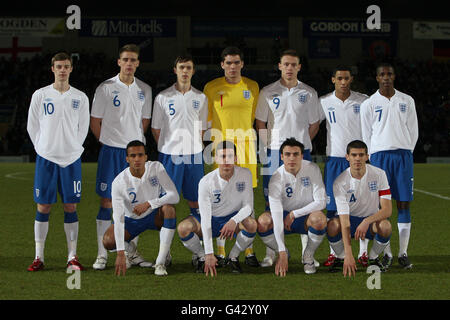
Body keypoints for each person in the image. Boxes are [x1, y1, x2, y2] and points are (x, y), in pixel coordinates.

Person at [255, 49, 321, 267]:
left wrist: (299, 148)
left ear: (299, 67)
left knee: (306, 197)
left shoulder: (309, 93)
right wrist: (269, 147)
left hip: (301, 153)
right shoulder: (267, 91)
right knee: (269, 201)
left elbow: (314, 124)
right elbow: (260, 123)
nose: (290, 68)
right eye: (286, 64)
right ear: (280, 66)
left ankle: (306, 252)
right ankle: (271, 252)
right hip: (274, 153)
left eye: (294, 64)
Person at [90, 44, 153, 270]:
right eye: (125, 59)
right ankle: (101, 254)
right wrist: (108, 141)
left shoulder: (145, 89)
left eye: (133, 60)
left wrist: (133, 144)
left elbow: (144, 122)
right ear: (119, 62)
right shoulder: (105, 88)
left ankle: (131, 253)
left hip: (134, 153)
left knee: (134, 202)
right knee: (107, 201)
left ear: (137, 63)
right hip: (111, 151)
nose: (129, 63)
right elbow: (95, 121)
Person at [26, 52, 90, 271]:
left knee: (70, 205)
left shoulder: (80, 97)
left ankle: (72, 256)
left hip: (71, 159)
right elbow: (32, 126)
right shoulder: (40, 95)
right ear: (52, 69)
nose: (63, 70)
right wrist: (43, 148)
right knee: (43, 206)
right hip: (46, 158)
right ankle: (38, 257)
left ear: (71, 69)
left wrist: (73, 149)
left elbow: (83, 127)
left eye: (66, 66)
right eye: (59, 66)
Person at [203, 46, 259, 267]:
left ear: (242, 64)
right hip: (221, 148)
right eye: (228, 63)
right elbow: (206, 121)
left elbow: (252, 119)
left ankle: (249, 252)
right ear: (222, 65)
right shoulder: (211, 87)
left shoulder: (253, 87)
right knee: (221, 197)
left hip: (246, 148)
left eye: (236, 63)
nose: (233, 67)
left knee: (247, 198)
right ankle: (220, 252)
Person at [361, 63, 418, 269]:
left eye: (389, 74)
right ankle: (388, 253)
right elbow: (366, 133)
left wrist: (405, 150)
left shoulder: (406, 100)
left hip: (402, 156)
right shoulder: (369, 103)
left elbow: (413, 130)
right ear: (377, 78)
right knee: (379, 208)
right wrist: (374, 153)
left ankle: (403, 252)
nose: (386, 77)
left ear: (394, 76)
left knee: (403, 203)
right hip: (379, 158)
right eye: (382, 74)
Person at [177, 141, 257, 276]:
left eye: (230, 156)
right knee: (183, 228)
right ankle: (202, 257)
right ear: (216, 159)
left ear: (236, 158)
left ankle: (232, 257)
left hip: (232, 218)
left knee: (251, 224)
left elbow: (248, 206)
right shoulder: (206, 182)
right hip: (211, 219)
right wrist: (209, 252)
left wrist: (234, 220)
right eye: (222, 156)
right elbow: (205, 218)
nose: (226, 161)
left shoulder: (245, 174)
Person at [102, 140, 179, 276]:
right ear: (127, 159)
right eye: (132, 156)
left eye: (140, 155)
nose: (137, 159)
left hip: (153, 215)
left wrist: (149, 203)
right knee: (108, 241)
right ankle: (131, 252)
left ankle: (160, 262)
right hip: (130, 220)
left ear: (146, 157)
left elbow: (174, 196)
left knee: (169, 209)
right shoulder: (119, 183)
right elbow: (119, 218)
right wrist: (120, 252)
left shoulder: (156, 168)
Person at [318, 66, 369, 268]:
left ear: (351, 79)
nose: (343, 82)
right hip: (335, 160)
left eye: (346, 78)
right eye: (339, 78)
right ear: (333, 79)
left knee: (363, 205)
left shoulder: (363, 100)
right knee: (332, 210)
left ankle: (363, 253)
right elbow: (312, 123)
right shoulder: (324, 102)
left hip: (357, 160)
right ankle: (336, 254)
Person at [257, 138, 327, 276]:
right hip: (283, 218)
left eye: (296, 154)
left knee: (320, 219)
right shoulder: (276, 178)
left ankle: (308, 256)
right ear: (281, 157)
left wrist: (294, 214)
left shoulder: (312, 169)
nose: (292, 158)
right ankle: (282, 252)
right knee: (263, 222)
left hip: (304, 217)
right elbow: (276, 215)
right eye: (287, 154)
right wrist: (281, 252)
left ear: (302, 156)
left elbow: (321, 202)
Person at [327, 140, 393, 276]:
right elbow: (344, 221)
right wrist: (349, 254)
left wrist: (367, 221)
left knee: (385, 226)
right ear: (347, 157)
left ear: (367, 157)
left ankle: (373, 257)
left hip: (369, 222)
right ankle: (341, 257)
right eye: (354, 155)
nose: (357, 159)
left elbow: (387, 210)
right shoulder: (340, 182)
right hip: (350, 222)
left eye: (361, 155)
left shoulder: (379, 174)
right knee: (332, 225)